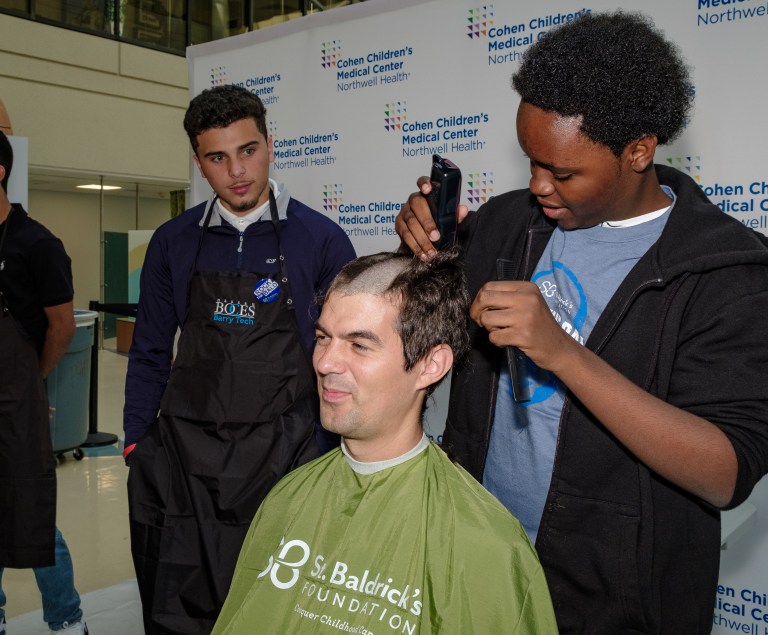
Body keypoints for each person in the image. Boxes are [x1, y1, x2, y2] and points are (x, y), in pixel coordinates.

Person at [395, 11, 768, 634]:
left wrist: (564, 353)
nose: (538, 184)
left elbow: (726, 470)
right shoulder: (507, 223)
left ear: (638, 151)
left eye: (563, 172)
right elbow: (426, 328)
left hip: (614, 600)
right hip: (476, 565)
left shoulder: (724, 272)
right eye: (530, 161)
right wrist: (421, 252)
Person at [211, 250, 557, 634]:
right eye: (324, 338)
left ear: (431, 365)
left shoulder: (484, 546)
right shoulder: (286, 498)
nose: (325, 363)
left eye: (359, 345)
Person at [124, 84, 356, 634]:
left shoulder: (320, 240)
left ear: (270, 144)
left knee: (281, 606)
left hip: (289, 452)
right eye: (217, 157)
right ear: (200, 163)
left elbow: (344, 356)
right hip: (190, 459)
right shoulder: (173, 242)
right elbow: (152, 348)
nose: (237, 171)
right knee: (186, 601)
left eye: (248, 150)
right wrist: (137, 439)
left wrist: (333, 449)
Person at [0, 132, 88, 634]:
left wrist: (31, 386)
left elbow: (61, 326)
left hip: (19, 400)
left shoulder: (36, 243)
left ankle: (66, 618)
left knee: (32, 515)